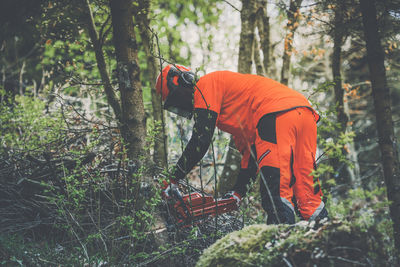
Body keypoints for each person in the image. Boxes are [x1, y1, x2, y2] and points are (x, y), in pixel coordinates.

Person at [156, 64, 328, 224]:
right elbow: (250, 156)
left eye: (178, 98)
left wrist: (173, 179)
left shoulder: (205, 85)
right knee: (307, 193)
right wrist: (239, 192)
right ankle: (324, 237)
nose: (183, 105)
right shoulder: (238, 111)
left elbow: (201, 140)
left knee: (276, 192)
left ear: (185, 81)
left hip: (275, 114)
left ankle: (282, 247)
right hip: (304, 113)